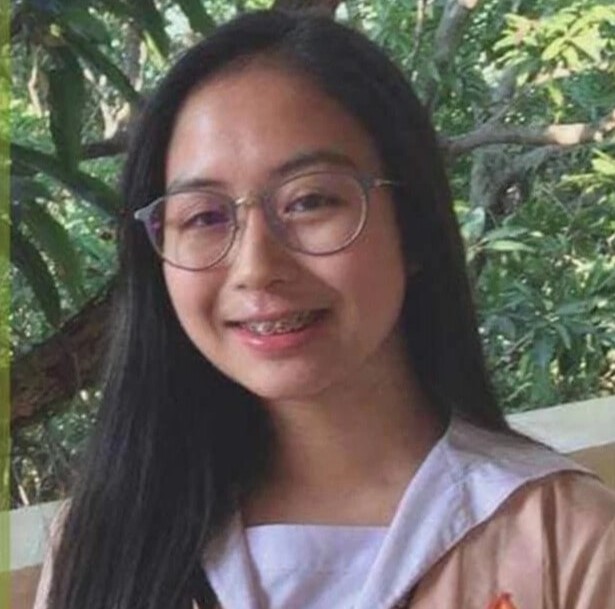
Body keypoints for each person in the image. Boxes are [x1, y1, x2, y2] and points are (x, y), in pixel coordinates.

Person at [34, 9, 614, 609]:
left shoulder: (567, 542)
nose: (255, 266)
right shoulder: (102, 545)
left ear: (412, 226)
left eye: (310, 201)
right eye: (203, 216)